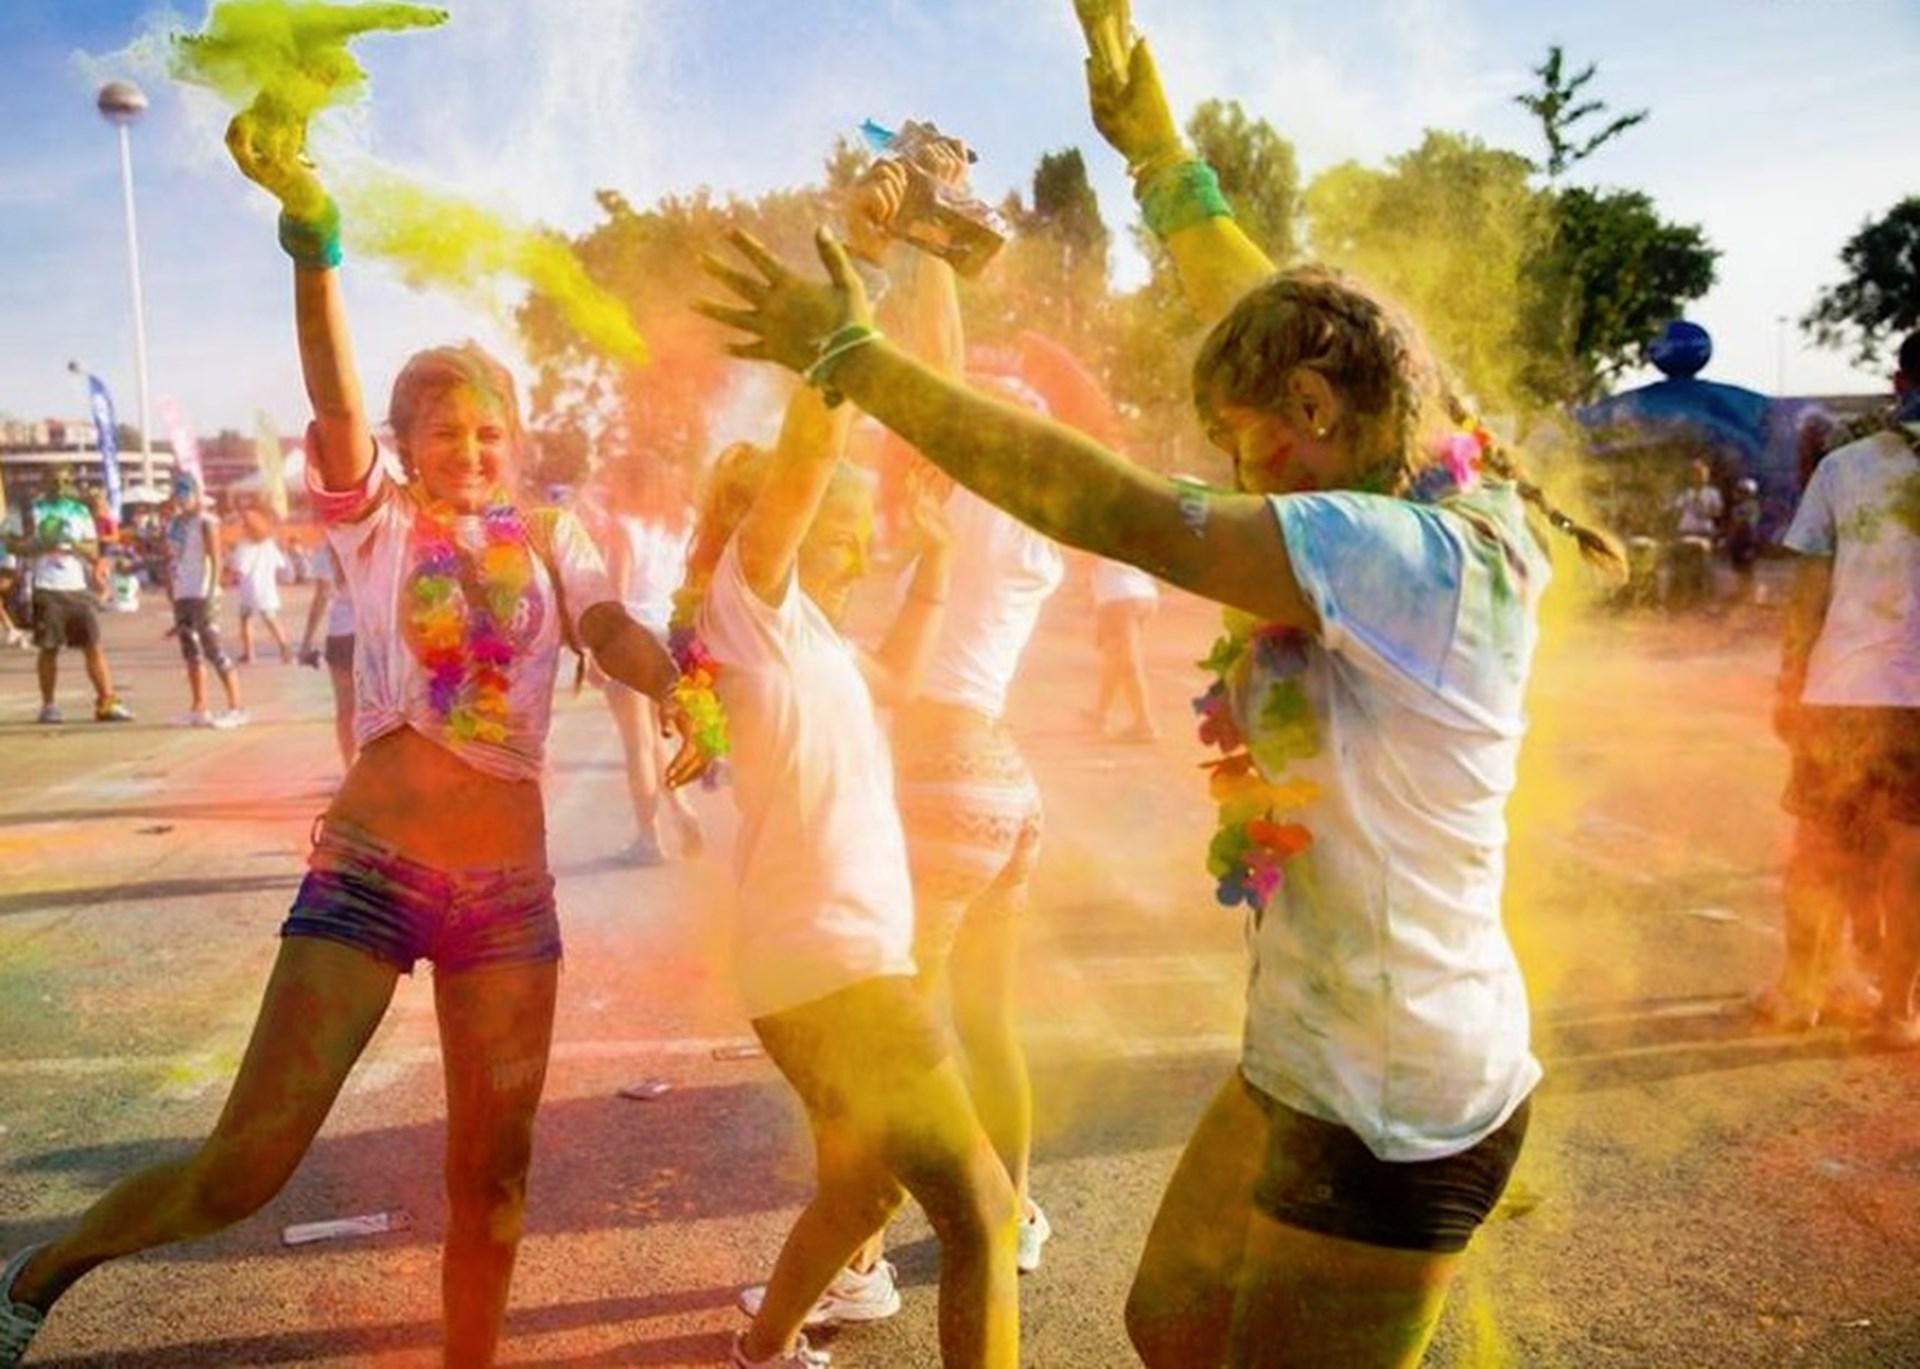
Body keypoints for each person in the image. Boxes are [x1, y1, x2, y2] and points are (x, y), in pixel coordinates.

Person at [695, 20, 1629, 1363]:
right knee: (1168, 1319)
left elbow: (1127, 512)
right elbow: (1280, 309)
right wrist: (1157, 151)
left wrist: (858, 360)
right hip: (1310, 1059)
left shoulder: (1415, 554)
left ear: (1315, 406)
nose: (1242, 477)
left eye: (1248, 442)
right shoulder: (1414, 466)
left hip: (1397, 1103)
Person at [0, 105, 699, 1369]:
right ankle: (39, 1273)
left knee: (494, 1178)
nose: (471, 448)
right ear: (407, 443)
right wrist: (313, 238)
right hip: (371, 876)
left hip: (507, 898)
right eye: (446, 430)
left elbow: (607, 626)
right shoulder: (377, 524)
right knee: (244, 1167)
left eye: (491, 430)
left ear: (517, 442)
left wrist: (682, 686)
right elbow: (330, 388)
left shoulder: (556, 536)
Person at [679, 351, 1018, 1366]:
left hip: (823, 968)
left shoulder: (812, 639)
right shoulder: (749, 606)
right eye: (833, 532)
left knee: (864, 1189)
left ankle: (763, 1351)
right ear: (772, 529)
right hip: (837, 974)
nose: (853, 554)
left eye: (860, 538)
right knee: (985, 1210)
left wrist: (936, 560)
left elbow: (901, 678)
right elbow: (807, 458)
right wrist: (838, 347)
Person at [1756, 329, 1920, 1045]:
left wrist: (1790, 678)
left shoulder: (1845, 467)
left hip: (1844, 688)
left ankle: (1802, 993)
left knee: (1819, 843)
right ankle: (1899, 1010)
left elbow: (1809, 591)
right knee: (1911, 854)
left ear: (1899, 383)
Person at [599, 453, 705, 865]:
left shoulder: (624, 527)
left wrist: (598, 651)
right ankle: (684, 812)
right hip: (670, 638)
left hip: (632, 637)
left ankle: (649, 840)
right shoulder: (683, 523)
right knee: (660, 741)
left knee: (637, 745)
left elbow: (616, 596)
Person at [10, 467, 133, 724]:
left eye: (64, 480)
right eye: (54, 480)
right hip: (46, 586)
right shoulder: (32, 510)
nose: (59, 484)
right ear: (44, 481)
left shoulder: (80, 511)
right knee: (49, 648)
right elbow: (13, 544)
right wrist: (42, 542)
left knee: (92, 644)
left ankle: (106, 701)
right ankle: (49, 706)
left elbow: (93, 549)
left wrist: (73, 543)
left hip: (77, 587)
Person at [163, 471, 249, 728]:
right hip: (183, 592)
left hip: (202, 592)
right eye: (177, 492)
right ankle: (199, 707)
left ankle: (236, 707)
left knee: (214, 648)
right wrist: (172, 594)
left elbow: (216, 559)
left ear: (196, 494)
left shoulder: (206, 522)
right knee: (190, 650)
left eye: (185, 491)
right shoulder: (173, 524)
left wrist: (212, 592)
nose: (181, 497)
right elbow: (171, 560)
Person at [296, 541, 359, 771]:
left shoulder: (326, 550)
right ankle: (372, 769)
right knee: (375, 708)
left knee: (345, 709)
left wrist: (306, 641)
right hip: (371, 635)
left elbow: (321, 597)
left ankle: (349, 768)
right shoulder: (368, 543)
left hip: (340, 635)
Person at [1088, 553, 1162, 742]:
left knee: (1126, 660)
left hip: (1118, 594)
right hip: (1144, 592)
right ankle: (1100, 713)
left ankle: (1144, 722)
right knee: (1116, 656)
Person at [230, 515, 294, 664]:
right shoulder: (269, 544)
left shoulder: (244, 546)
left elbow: (240, 568)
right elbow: (279, 564)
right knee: (271, 619)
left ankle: (249, 653)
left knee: (246, 620)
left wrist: (229, 577)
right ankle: (284, 648)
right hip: (267, 588)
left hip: (249, 589)